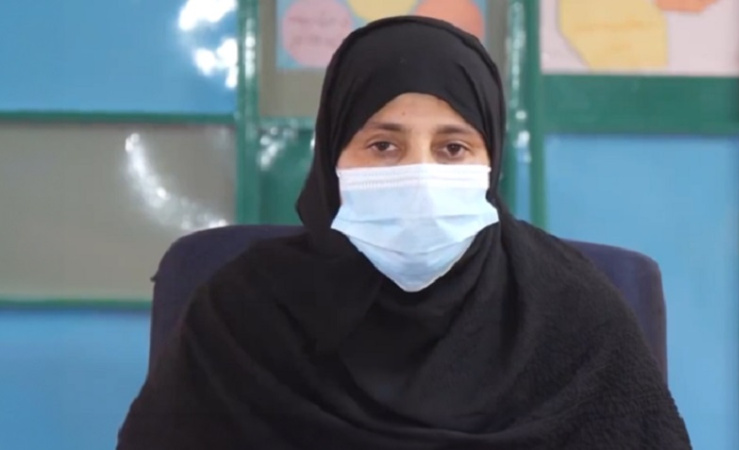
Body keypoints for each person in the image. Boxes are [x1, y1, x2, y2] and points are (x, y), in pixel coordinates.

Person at [118, 16, 691, 450]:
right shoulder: (241, 315)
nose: (420, 175)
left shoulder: (573, 316)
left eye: (453, 147)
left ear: (491, 163)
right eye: (383, 145)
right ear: (332, 159)